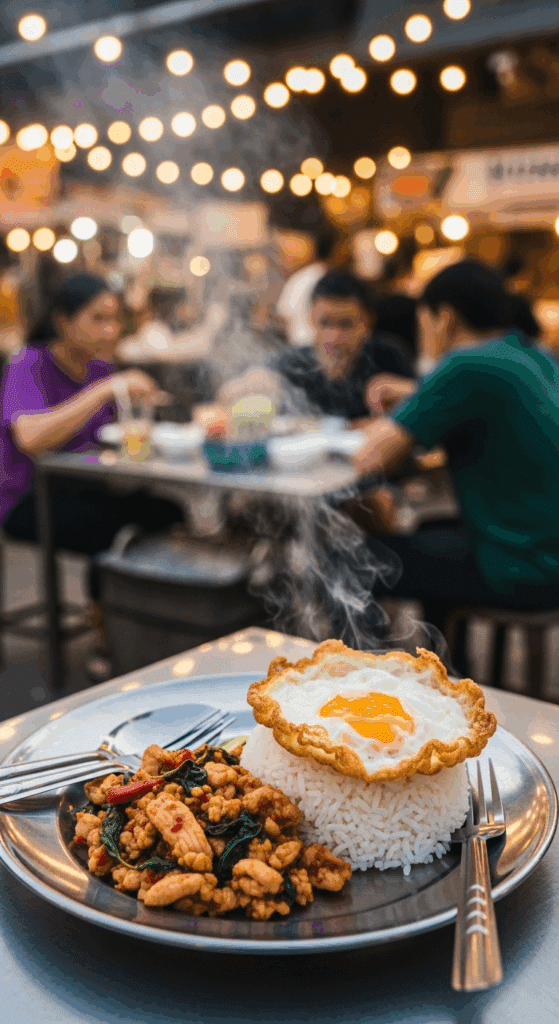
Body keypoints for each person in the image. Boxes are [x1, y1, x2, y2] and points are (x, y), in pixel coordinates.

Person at [351, 260, 559, 665]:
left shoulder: (465, 365)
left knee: (353, 556)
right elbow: (492, 402)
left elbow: (368, 456)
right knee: (429, 531)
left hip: (520, 568)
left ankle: (362, 681)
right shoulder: (534, 355)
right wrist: (418, 393)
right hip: (548, 553)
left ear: (443, 317)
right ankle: (446, 670)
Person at [1, 274, 182, 601]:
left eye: (114, 320)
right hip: (27, 499)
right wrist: (104, 392)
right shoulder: (29, 363)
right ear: (63, 322)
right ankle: (107, 629)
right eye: (98, 319)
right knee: (111, 530)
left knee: (167, 513)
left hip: (86, 487)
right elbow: (29, 437)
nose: (111, 330)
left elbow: (111, 437)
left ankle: (146, 619)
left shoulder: (99, 368)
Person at [275, 269, 414, 421]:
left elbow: (423, 402)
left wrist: (404, 389)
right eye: (325, 323)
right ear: (310, 319)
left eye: (346, 324)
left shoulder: (388, 357)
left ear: (367, 322)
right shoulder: (293, 364)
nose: (334, 337)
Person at [276, 230, 337, 347]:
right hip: (312, 347)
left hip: (300, 344)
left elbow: (284, 314)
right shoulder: (327, 278)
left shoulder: (299, 278)